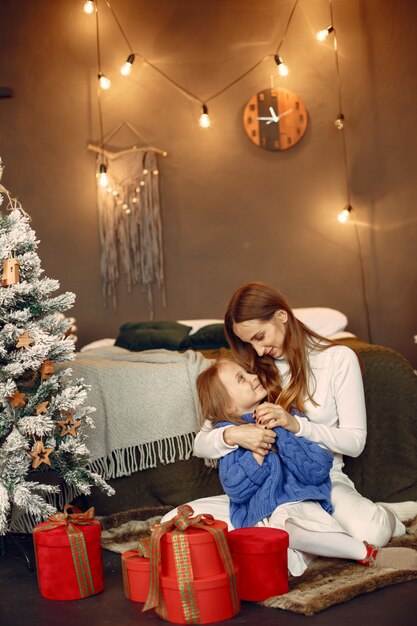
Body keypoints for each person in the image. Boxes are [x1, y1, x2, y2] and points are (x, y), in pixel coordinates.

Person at [161, 281, 417, 570]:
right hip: (267, 488)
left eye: (260, 336)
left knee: (372, 533)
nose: (257, 351)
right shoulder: (252, 369)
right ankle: (310, 537)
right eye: (249, 343)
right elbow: (201, 442)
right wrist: (235, 434)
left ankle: (383, 516)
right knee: (177, 521)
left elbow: (354, 442)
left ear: (281, 316)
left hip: (320, 480)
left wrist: (297, 426)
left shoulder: (337, 359)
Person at [193, 356, 417, 574]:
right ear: (228, 407)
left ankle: (367, 553)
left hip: (299, 501)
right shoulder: (230, 435)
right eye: (241, 378)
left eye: (249, 372)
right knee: (274, 553)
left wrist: (285, 432)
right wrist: (256, 454)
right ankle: (316, 546)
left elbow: (317, 469)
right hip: (257, 514)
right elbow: (236, 491)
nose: (253, 377)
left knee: (288, 526)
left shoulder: (286, 414)